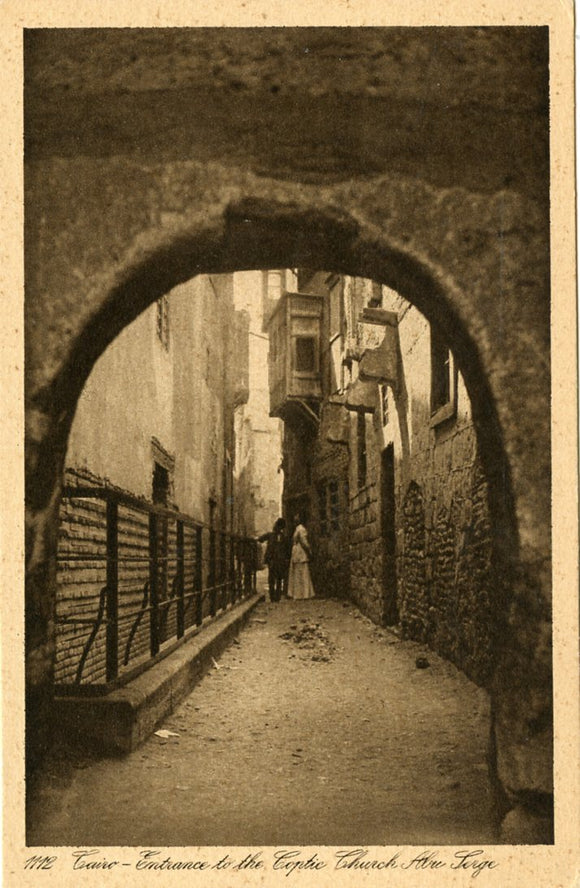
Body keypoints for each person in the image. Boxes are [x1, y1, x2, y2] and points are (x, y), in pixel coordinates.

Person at [287, 513, 315, 600]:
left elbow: (304, 542)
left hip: (300, 552)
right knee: (298, 573)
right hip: (297, 551)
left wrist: (309, 550)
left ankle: (304, 594)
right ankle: (299, 594)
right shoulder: (297, 529)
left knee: (303, 573)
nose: (295, 519)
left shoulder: (301, 529)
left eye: (297, 517)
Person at [262, 518, 290, 603]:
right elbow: (287, 550)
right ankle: (276, 596)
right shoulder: (284, 537)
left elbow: (260, 539)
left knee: (272, 578)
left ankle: (273, 596)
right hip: (278, 559)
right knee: (278, 578)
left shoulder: (271, 535)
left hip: (273, 559)